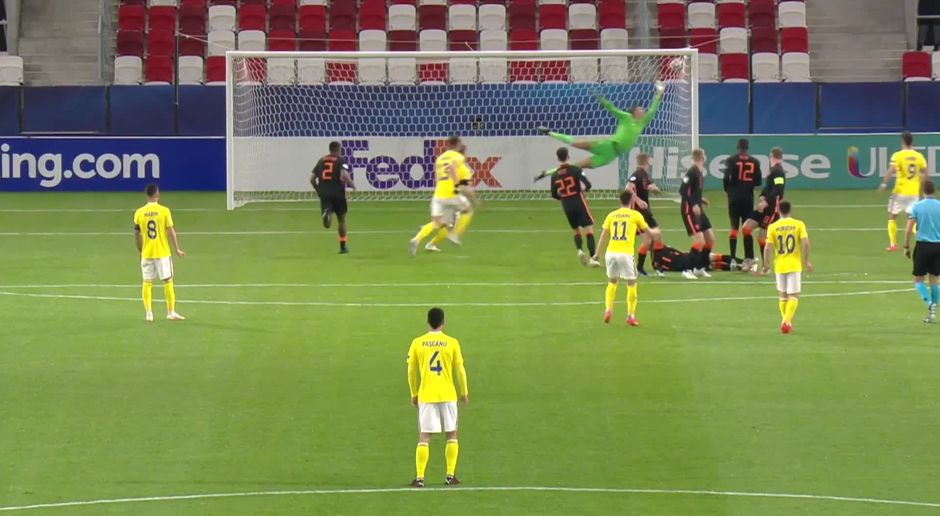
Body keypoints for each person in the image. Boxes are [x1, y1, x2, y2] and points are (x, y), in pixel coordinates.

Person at [537, 81, 665, 171]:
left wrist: (659, 93)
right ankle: (549, 132)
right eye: (640, 109)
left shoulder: (643, 122)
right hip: (607, 145)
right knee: (575, 143)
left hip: (610, 155)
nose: (643, 110)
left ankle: (546, 173)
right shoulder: (626, 117)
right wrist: (601, 99)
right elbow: (612, 108)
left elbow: (653, 109)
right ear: (634, 112)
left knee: (576, 166)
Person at [407, 307, 469, 487]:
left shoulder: (417, 343)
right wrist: (464, 392)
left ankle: (420, 477)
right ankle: (450, 475)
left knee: (424, 436)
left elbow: (411, 370)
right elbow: (460, 369)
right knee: (451, 434)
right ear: (443, 323)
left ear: (428, 322)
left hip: (427, 395)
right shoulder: (452, 343)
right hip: (448, 394)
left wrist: (414, 393)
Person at [592, 190, 650, 326]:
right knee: (632, 283)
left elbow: (603, 236)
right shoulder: (635, 215)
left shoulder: (611, 215)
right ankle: (630, 316)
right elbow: (647, 231)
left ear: (620, 201)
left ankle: (608, 309)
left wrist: (597, 254)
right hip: (625, 254)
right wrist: (655, 233)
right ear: (631, 201)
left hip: (610, 253)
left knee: (612, 282)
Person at [133, 184, 185, 322]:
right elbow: (171, 231)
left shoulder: (139, 212)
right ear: (157, 195)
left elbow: (136, 233)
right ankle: (170, 312)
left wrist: (140, 250)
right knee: (168, 281)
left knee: (147, 282)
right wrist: (177, 249)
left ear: (146, 195)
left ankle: (148, 313)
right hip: (162, 253)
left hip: (147, 253)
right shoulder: (164, 211)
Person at [761, 201, 812, 334]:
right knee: (793, 295)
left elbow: (767, 248)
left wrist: (765, 264)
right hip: (794, 265)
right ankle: (786, 321)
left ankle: (786, 322)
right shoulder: (799, 224)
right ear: (790, 210)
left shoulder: (773, 227)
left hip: (779, 265)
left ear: (778, 210)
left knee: (783, 295)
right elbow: (806, 243)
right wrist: (806, 261)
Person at [543, 147, 600, 266]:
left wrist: (563, 197)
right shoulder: (576, 170)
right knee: (589, 229)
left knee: (576, 230)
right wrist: (582, 189)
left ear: (558, 158)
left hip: (566, 204)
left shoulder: (554, 175)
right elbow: (588, 184)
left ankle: (579, 250)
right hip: (578, 201)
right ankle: (592, 258)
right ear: (568, 156)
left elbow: (554, 194)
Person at [410, 136, 464, 256]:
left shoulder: (440, 158)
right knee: (451, 223)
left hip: (439, 193)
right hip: (451, 194)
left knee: (438, 223)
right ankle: (433, 243)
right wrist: (457, 187)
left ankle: (418, 239)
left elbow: (437, 178)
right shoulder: (457, 156)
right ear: (457, 144)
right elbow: (453, 170)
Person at [741, 146, 787, 272]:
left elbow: (779, 189)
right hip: (764, 207)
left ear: (771, 156)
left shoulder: (778, 171)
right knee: (746, 228)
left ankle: (766, 266)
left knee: (762, 237)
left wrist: (766, 201)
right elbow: (769, 187)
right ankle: (749, 259)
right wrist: (762, 196)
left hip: (771, 209)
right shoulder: (773, 170)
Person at [881, 131, 928, 251]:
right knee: (912, 219)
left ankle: (893, 244)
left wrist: (884, 183)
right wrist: (924, 190)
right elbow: (925, 174)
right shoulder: (919, 156)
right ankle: (924, 239)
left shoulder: (898, 155)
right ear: (912, 141)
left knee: (892, 216)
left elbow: (891, 170)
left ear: (902, 141)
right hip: (913, 193)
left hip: (899, 192)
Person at [427, 143, 478, 251]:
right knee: (465, 211)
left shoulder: (443, 162)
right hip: (452, 197)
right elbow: (465, 186)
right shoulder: (463, 168)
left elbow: (438, 178)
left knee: (444, 223)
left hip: (440, 196)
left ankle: (430, 240)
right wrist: (474, 199)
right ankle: (453, 236)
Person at [904, 179, 940, 323]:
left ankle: (929, 303)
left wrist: (906, 246)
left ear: (922, 191)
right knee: (934, 279)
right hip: (938, 246)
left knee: (918, 279)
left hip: (923, 246)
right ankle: (932, 313)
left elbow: (908, 229)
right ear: (934, 190)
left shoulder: (917, 207)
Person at [723, 138, 762, 268]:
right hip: (747, 198)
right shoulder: (755, 162)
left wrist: (728, 190)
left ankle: (733, 259)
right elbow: (758, 181)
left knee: (734, 227)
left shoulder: (731, 160)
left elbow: (726, 178)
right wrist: (748, 185)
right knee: (747, 229)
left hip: (734, 197)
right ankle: (748, 258)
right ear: (747, 148)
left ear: (738, 147)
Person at [311, 141, 355, 254]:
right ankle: (343, 247)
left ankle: (327, 213)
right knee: (341, 220)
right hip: (338, 193)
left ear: (330, 149)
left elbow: (312, 179)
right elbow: (344, 174)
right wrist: (352, 185)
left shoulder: (321, 160)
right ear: (338, 149)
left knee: (327, 225)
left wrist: (319, 191)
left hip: (325, 194)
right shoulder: (341, 160)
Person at [626, 152, 664, 276]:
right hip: (637, 213)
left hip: (646, 212)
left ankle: (657, 265)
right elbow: (628, 189)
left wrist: (655, 189)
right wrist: (638, 201)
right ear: (647, 161)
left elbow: (650, 186)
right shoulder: (636, 174)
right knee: (647, 241)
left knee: (657, 235)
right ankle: (640, 267)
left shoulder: (645, 176)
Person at [680, 148, 716, 280]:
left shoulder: (699, 172)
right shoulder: (691, 172)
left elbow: (693, 191)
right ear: (702, 157)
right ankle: (687, 269)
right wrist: (694, 204)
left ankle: (700, 268)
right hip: (689, 211)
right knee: (699, 241)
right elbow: (683, 190)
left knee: (710, 239)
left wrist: (700, 200)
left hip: (698, 210)